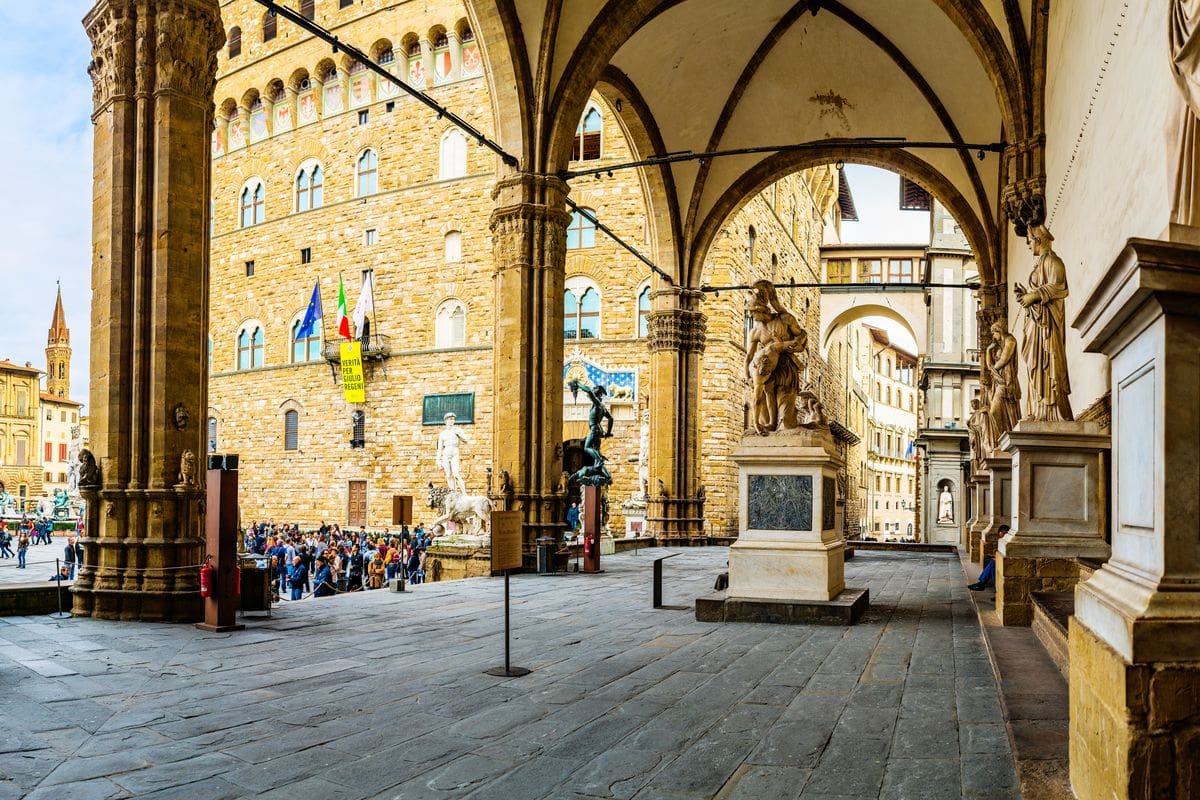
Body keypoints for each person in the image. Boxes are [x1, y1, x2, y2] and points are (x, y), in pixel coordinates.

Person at [969, 525, 1010, 590]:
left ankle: (982, 583)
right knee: (992, 567)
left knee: (992, 564)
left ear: (1004, 533)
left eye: (1001, 534)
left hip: (1009, 564)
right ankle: (994, 589)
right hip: (1002, 561)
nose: (1000, 537)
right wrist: (994, 556)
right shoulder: (1004, 541)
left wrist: (996, 558)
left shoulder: (1009, 542)